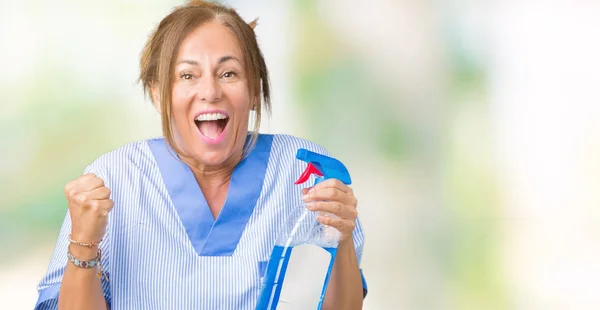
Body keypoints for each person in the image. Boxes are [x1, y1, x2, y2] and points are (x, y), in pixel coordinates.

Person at [34, 1, 367, 309]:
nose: (210, 92)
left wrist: (344, 236)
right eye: (187, 75)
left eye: (228, 73)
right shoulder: (114, 179)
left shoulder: (306, 171)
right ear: (158, 93)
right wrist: (84, 241)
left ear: (253, 89)